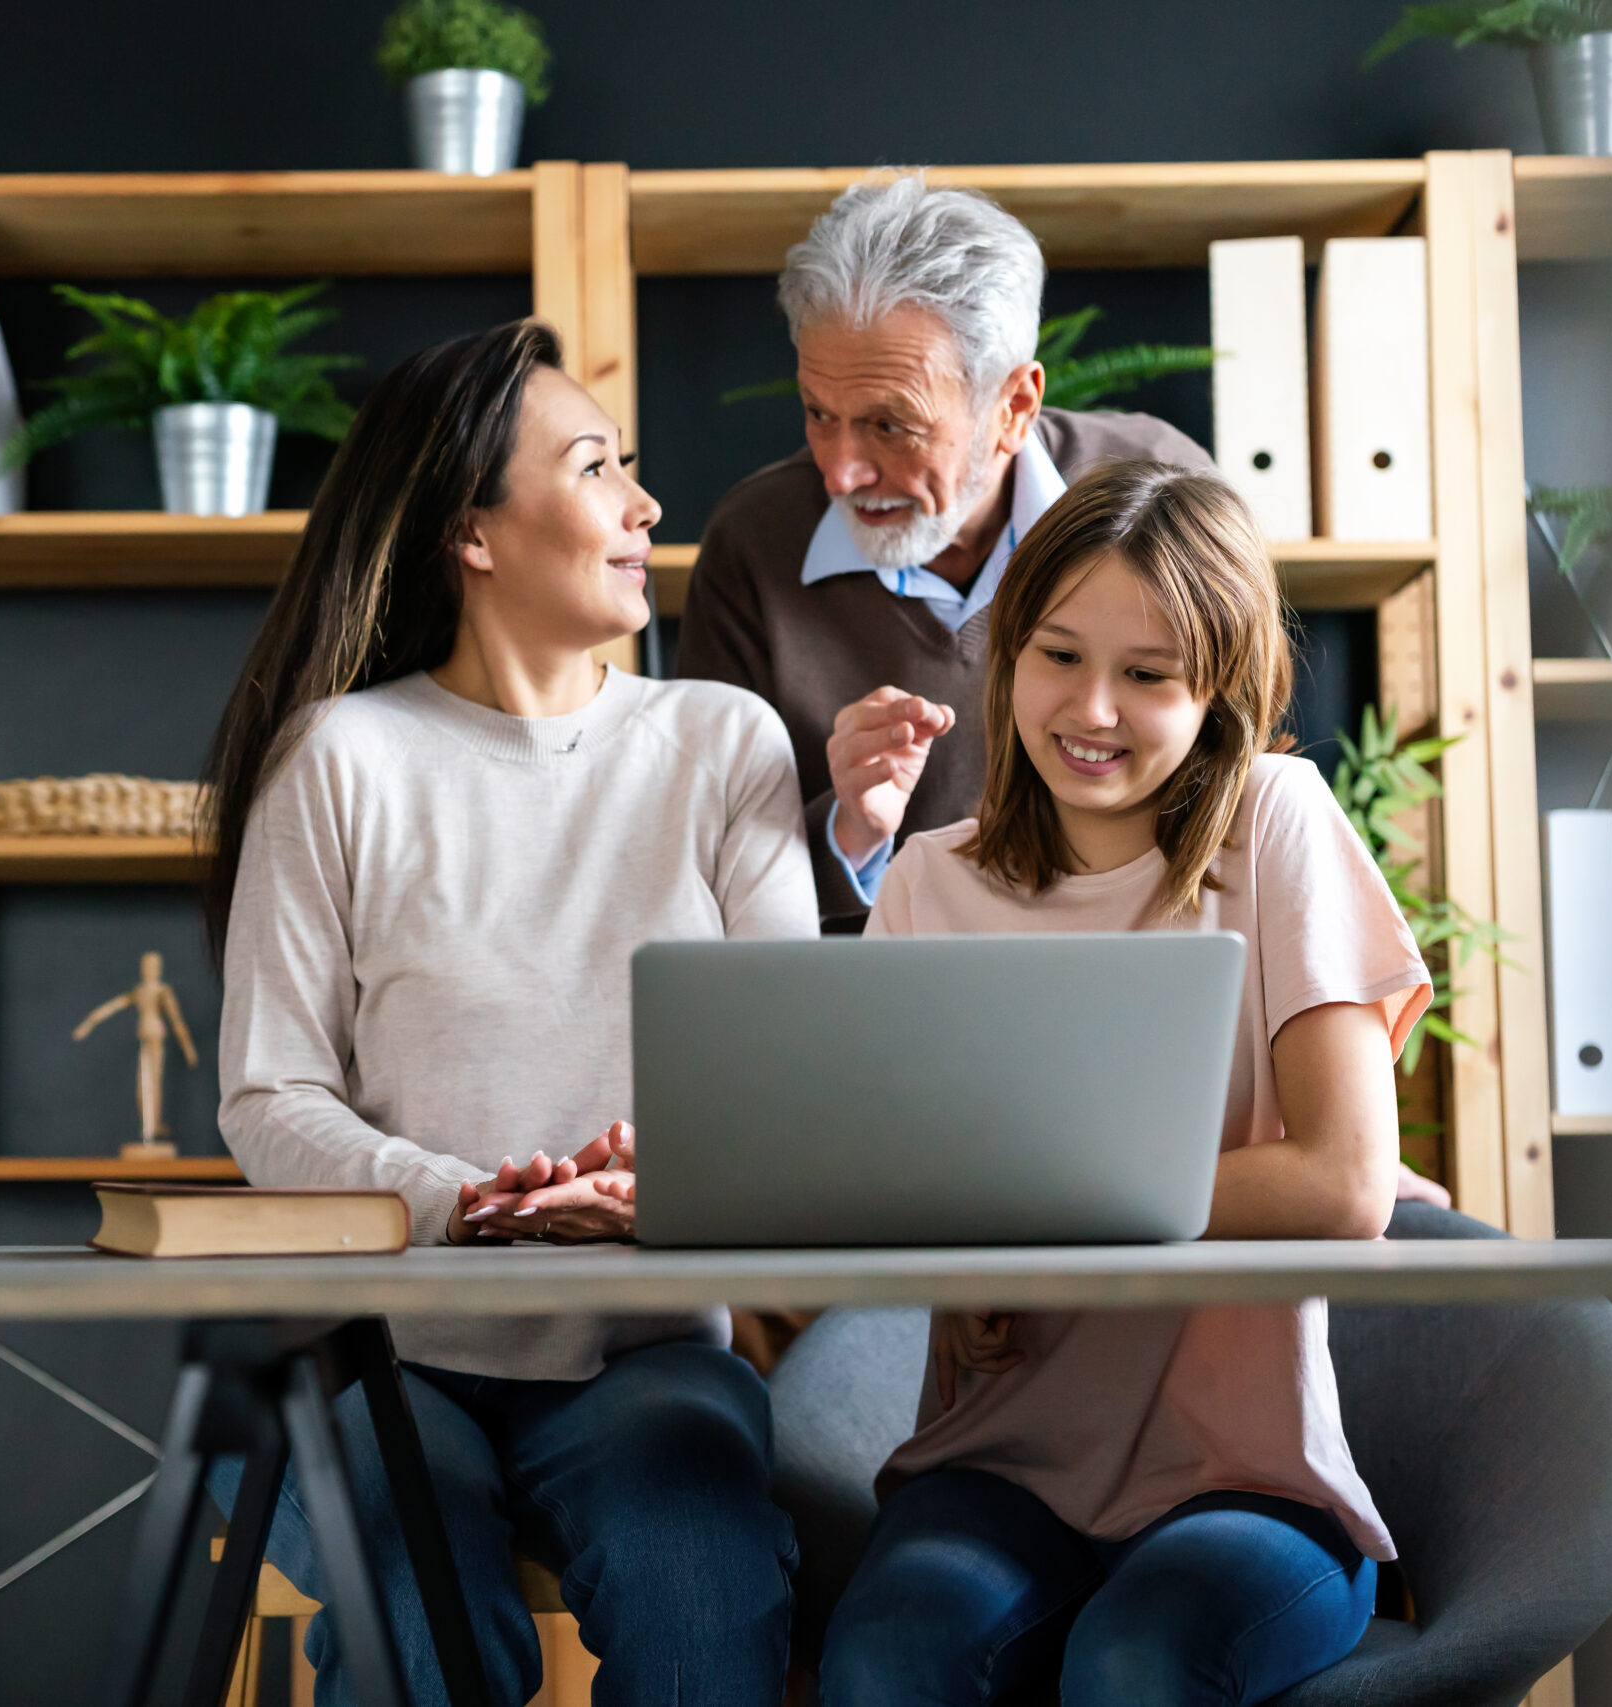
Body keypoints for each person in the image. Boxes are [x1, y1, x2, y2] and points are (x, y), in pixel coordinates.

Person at [200, 320, 817, 1707]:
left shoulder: (724, 745)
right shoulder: (341, 757)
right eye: (597, 467)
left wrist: (658, 1188)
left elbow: (785, 1084)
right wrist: (462, 1197)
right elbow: (269, 1093)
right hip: (384, 1351)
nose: (648, 505)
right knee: (426, 1630)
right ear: (473, 533)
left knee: (707, 1618)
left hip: (643, 1345)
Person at [816, 461, 1428, 1707]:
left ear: (1220, 692)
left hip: (1249, 1481)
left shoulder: (1275, 821)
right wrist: (968, 1273)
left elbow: (1346, 1183)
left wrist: (1034, 1217)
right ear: (1006, 661)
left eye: (1148, 675)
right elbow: (904, 1191)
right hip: (997, 1463)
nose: (1091, 709)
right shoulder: (929, 884)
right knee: (886, 1657)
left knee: (1138, 1663)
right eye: (1056, 655)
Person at [677, 172, 1213, 935]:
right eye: (819, 414)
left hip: (1137, 964)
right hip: (872, 1011)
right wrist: (850, 832)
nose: (840, 471)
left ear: (1014, 407)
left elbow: (1240, 767)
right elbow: (708, 876)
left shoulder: (1165, 491)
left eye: (891, 425)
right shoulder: (751, 544)